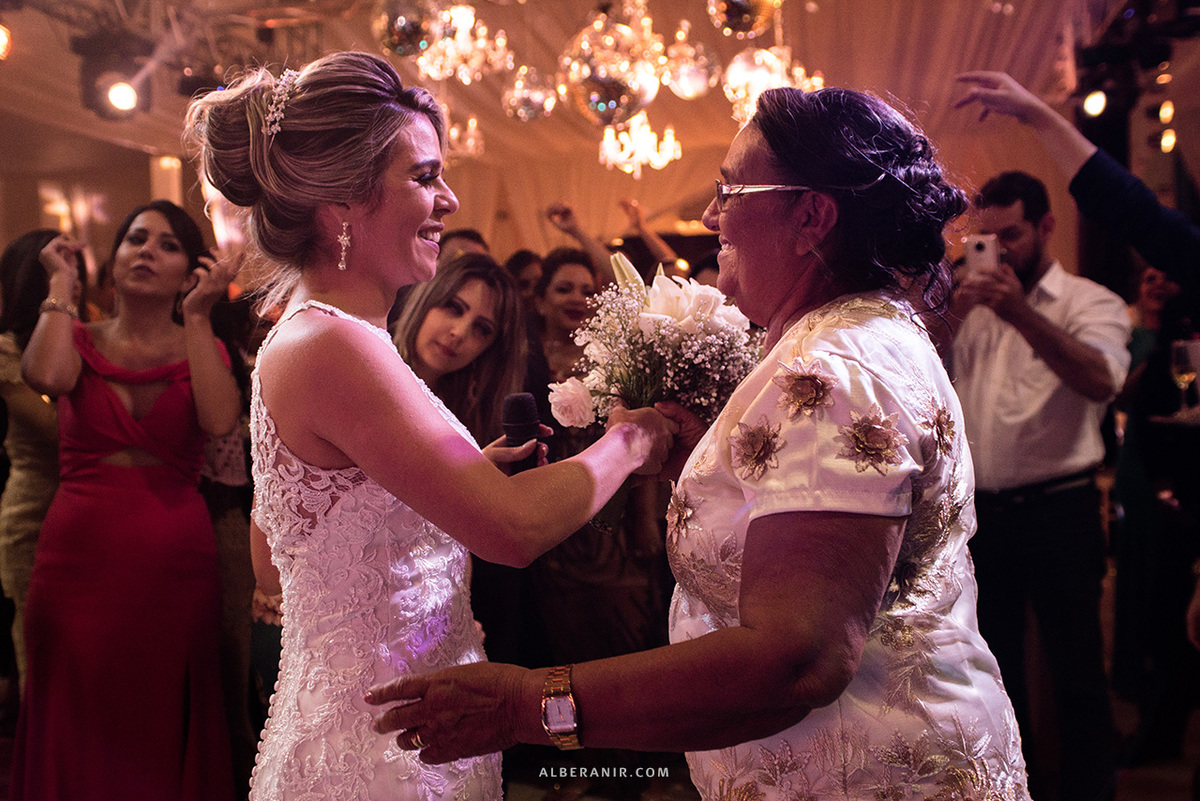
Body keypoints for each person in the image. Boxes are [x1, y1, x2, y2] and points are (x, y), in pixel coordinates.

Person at [368, 85, 1033, 801]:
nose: (712, 216)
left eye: (729, 190)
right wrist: (705, 469)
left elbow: (795, 660)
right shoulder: (850, 337)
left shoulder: (835, 368)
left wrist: (525, 706)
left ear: (811, 217)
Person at [184, 51, 673, 801]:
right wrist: (632, 439)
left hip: (396, 725)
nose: (449, 198)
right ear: (343, 202)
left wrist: (425, 496)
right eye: (423, 176)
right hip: (379, 751)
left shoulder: (326, 336)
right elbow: (511, 529)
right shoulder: (332, 344)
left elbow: (280, 561)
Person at [12, 201, 241, 800]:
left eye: (168, 245)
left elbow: (220, 420)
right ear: (111, 260)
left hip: (174, 564)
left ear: (190, 271)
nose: (147, 252)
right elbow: (47, 378)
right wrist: (61, 286)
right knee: (75, 712)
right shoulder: (75, 340)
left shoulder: (203, 345)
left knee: (159, 718)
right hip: (76, 561)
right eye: (136, 239)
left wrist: (199, 316)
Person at [949, 169, 1128, 801]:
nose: (999, 250)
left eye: (1013, 235)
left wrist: (1021, 314)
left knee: (1077, 671)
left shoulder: (1090, 301)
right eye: (986, 238)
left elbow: (1102, 380)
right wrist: (949, 312)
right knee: (990, 673)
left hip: (1060, 510)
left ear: (1046, 226)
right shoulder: (965, 307)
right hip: (981, 516)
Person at [0, 230, 87, 694]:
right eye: (61, 271)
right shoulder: (6, 352)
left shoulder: (90, 341)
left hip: (90, 518)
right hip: (34, 514)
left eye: (76, 272)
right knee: (40, 658)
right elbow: (59, 430)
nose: (75, 282)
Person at [392, 252, 526, 446]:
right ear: (427, 301)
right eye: (454, 308)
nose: (460, 333)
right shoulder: (367, 369)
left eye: (481, 328)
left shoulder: (472, 418)